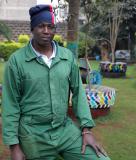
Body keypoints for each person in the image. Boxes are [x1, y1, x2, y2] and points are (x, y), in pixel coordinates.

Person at [2, 4, 111, 160]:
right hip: (33, 135)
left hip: (64, 129)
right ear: (32, 28)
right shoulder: (17, 61)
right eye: (41, 26)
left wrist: (86, 130)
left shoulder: (66, 57)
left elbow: (78, 93)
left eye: (51, 26)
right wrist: (14, 147)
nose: (46, 31)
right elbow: (10, 104)